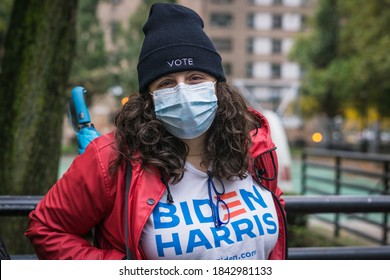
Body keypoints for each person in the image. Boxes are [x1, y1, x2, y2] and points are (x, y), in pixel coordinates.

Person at [25, 3, 287, 260]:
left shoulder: (255, 146)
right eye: (167, 82)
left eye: (195, 77)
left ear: (218, 86)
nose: (183, 91)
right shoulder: (111, 160)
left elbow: (275, 207)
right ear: (149, 99)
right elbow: (47, 228)